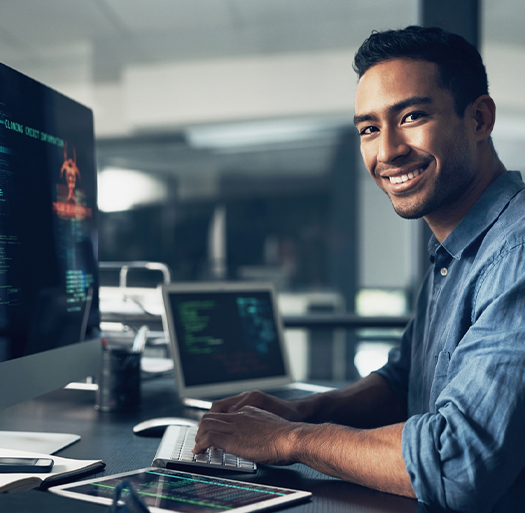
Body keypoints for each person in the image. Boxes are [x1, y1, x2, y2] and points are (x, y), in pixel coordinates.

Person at [193, 26, 525, 512]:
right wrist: (297, 409)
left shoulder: (514, 254)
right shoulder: (454, 251)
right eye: (369, 128)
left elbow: (456, 462)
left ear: (478, 118)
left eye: (412, 116)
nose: (387, 151)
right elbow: (403, 382)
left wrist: (291, 438)